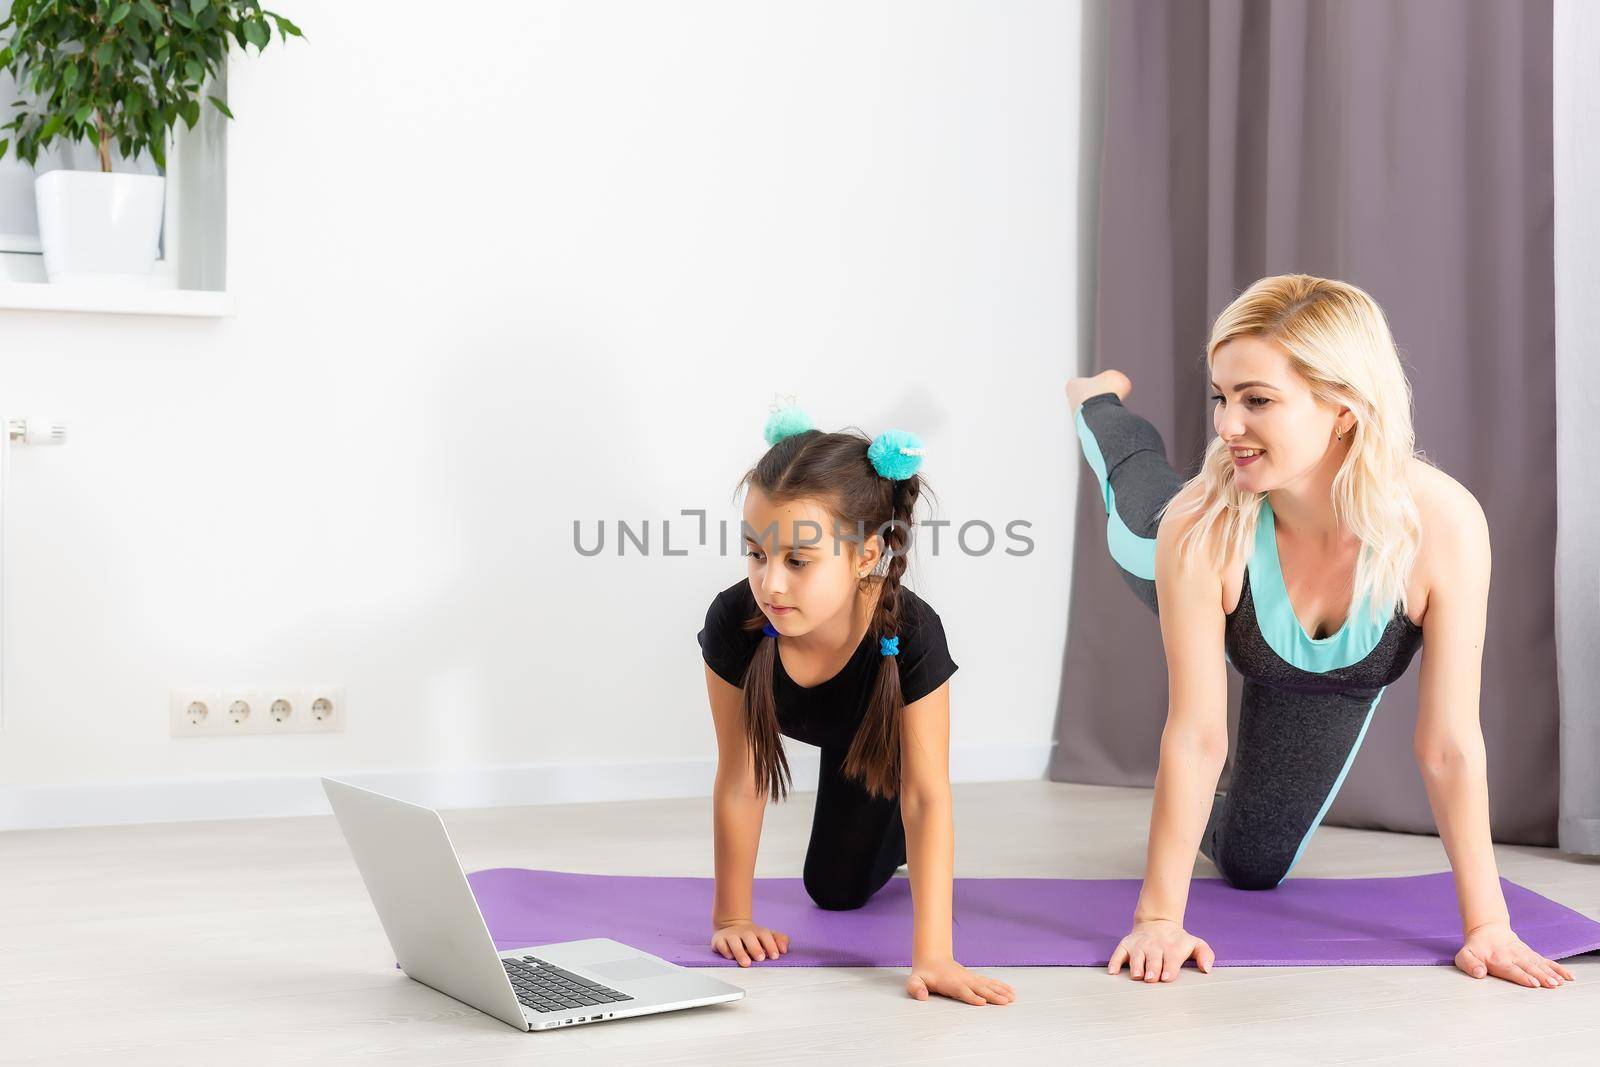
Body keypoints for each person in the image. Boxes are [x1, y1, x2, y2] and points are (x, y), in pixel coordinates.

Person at [1066, 274, 1576, 990]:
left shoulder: (1443, 526)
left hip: (1330, 678)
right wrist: (1157, 917)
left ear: (1343, 408)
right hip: (1182, 550)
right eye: (1222, 396)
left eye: (1257, 400)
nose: (1225, 424)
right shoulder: (1197, 526)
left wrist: (1487, 926)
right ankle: (1094, 400)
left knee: (1251, 867)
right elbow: (1196, 733)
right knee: (1136, 490)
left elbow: (1449, 743)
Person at [696, 402, 1015, 1006]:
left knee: (837, 889)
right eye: (757, 554)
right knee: (831, 888)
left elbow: (928, 794)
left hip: (878, 744)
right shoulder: (733, 621)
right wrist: (731, 918)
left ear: (866, 556)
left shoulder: (912, 633)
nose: (771, 584)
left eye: (798, 561)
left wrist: (935, 957)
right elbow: (741, 779)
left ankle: (884, 833)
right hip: (834, 731)